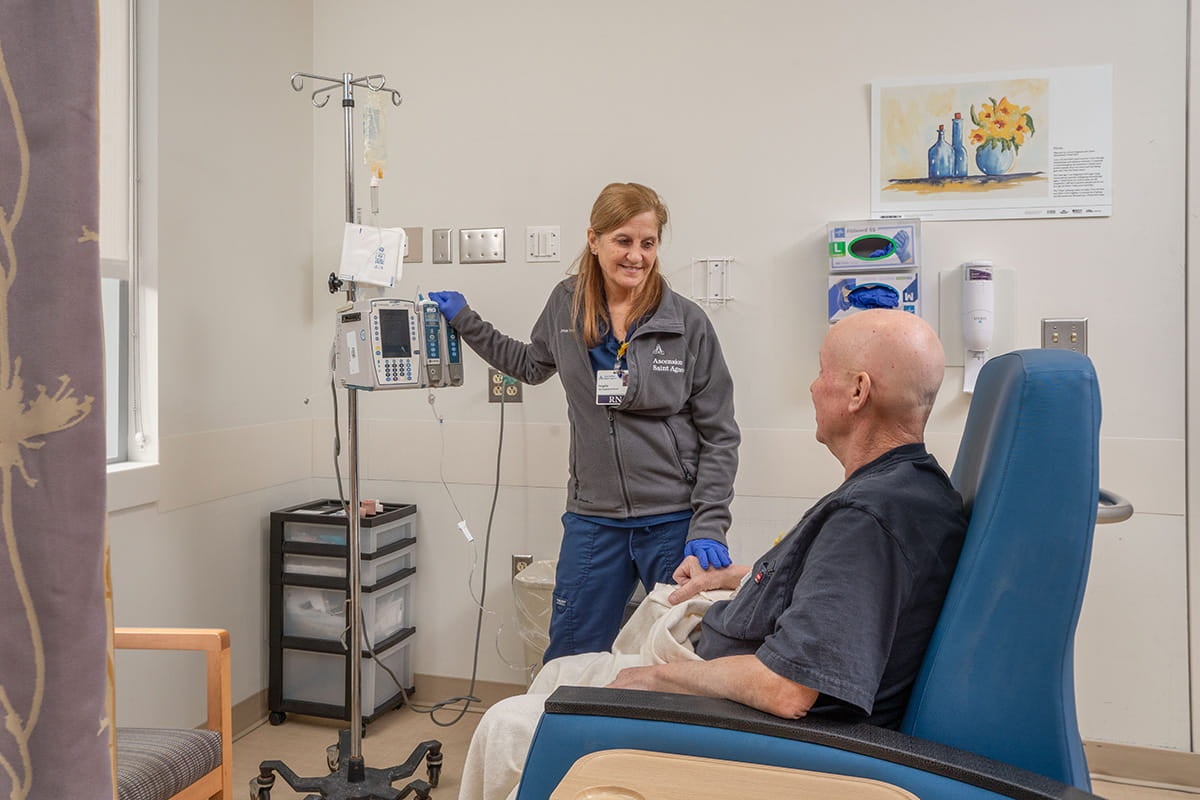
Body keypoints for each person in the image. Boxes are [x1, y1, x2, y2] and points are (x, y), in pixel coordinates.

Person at [457, 308, 968, 800]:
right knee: (557, 671)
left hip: (746, 721)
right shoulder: (909, 487)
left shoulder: (868, 519)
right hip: (729, 657)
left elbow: (788, 691)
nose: (813, 386)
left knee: (506, 726)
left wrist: (660, 678)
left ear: (858, 392)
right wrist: (737, 578)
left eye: (822, 371)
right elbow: (836, 591)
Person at [430, 182, 740, 661]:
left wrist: (710, 524)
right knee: (571, 655)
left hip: (674, 520)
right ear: (593, 240)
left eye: (648, 243)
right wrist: (466, 321)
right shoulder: (566, 304)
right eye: (623, 240)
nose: (637, 255)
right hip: (594, 519)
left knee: (677, 654)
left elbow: (720, 434)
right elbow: (531, 365)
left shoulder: (686, 323)